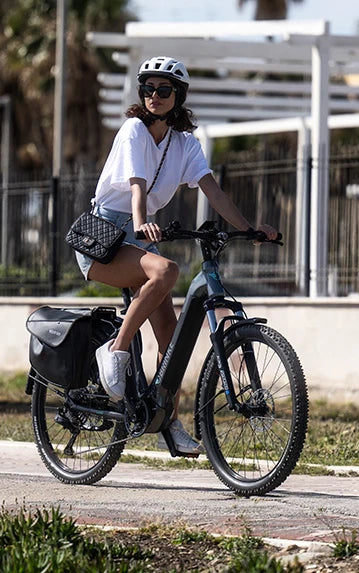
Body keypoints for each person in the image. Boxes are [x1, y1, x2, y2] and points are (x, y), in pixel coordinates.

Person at [77, 56, 278, 456]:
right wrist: (141, 222)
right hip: (104, 236)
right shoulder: (133, 129)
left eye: (163, 90)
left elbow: (213, 191)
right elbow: (136, 185)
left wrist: (248, 228)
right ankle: (115, 349)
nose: (154, 96)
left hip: (138, 239)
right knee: (167, 269)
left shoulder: (185, 144)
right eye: (148, 89)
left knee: (173, 345)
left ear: (178, 96)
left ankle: (168, 422)